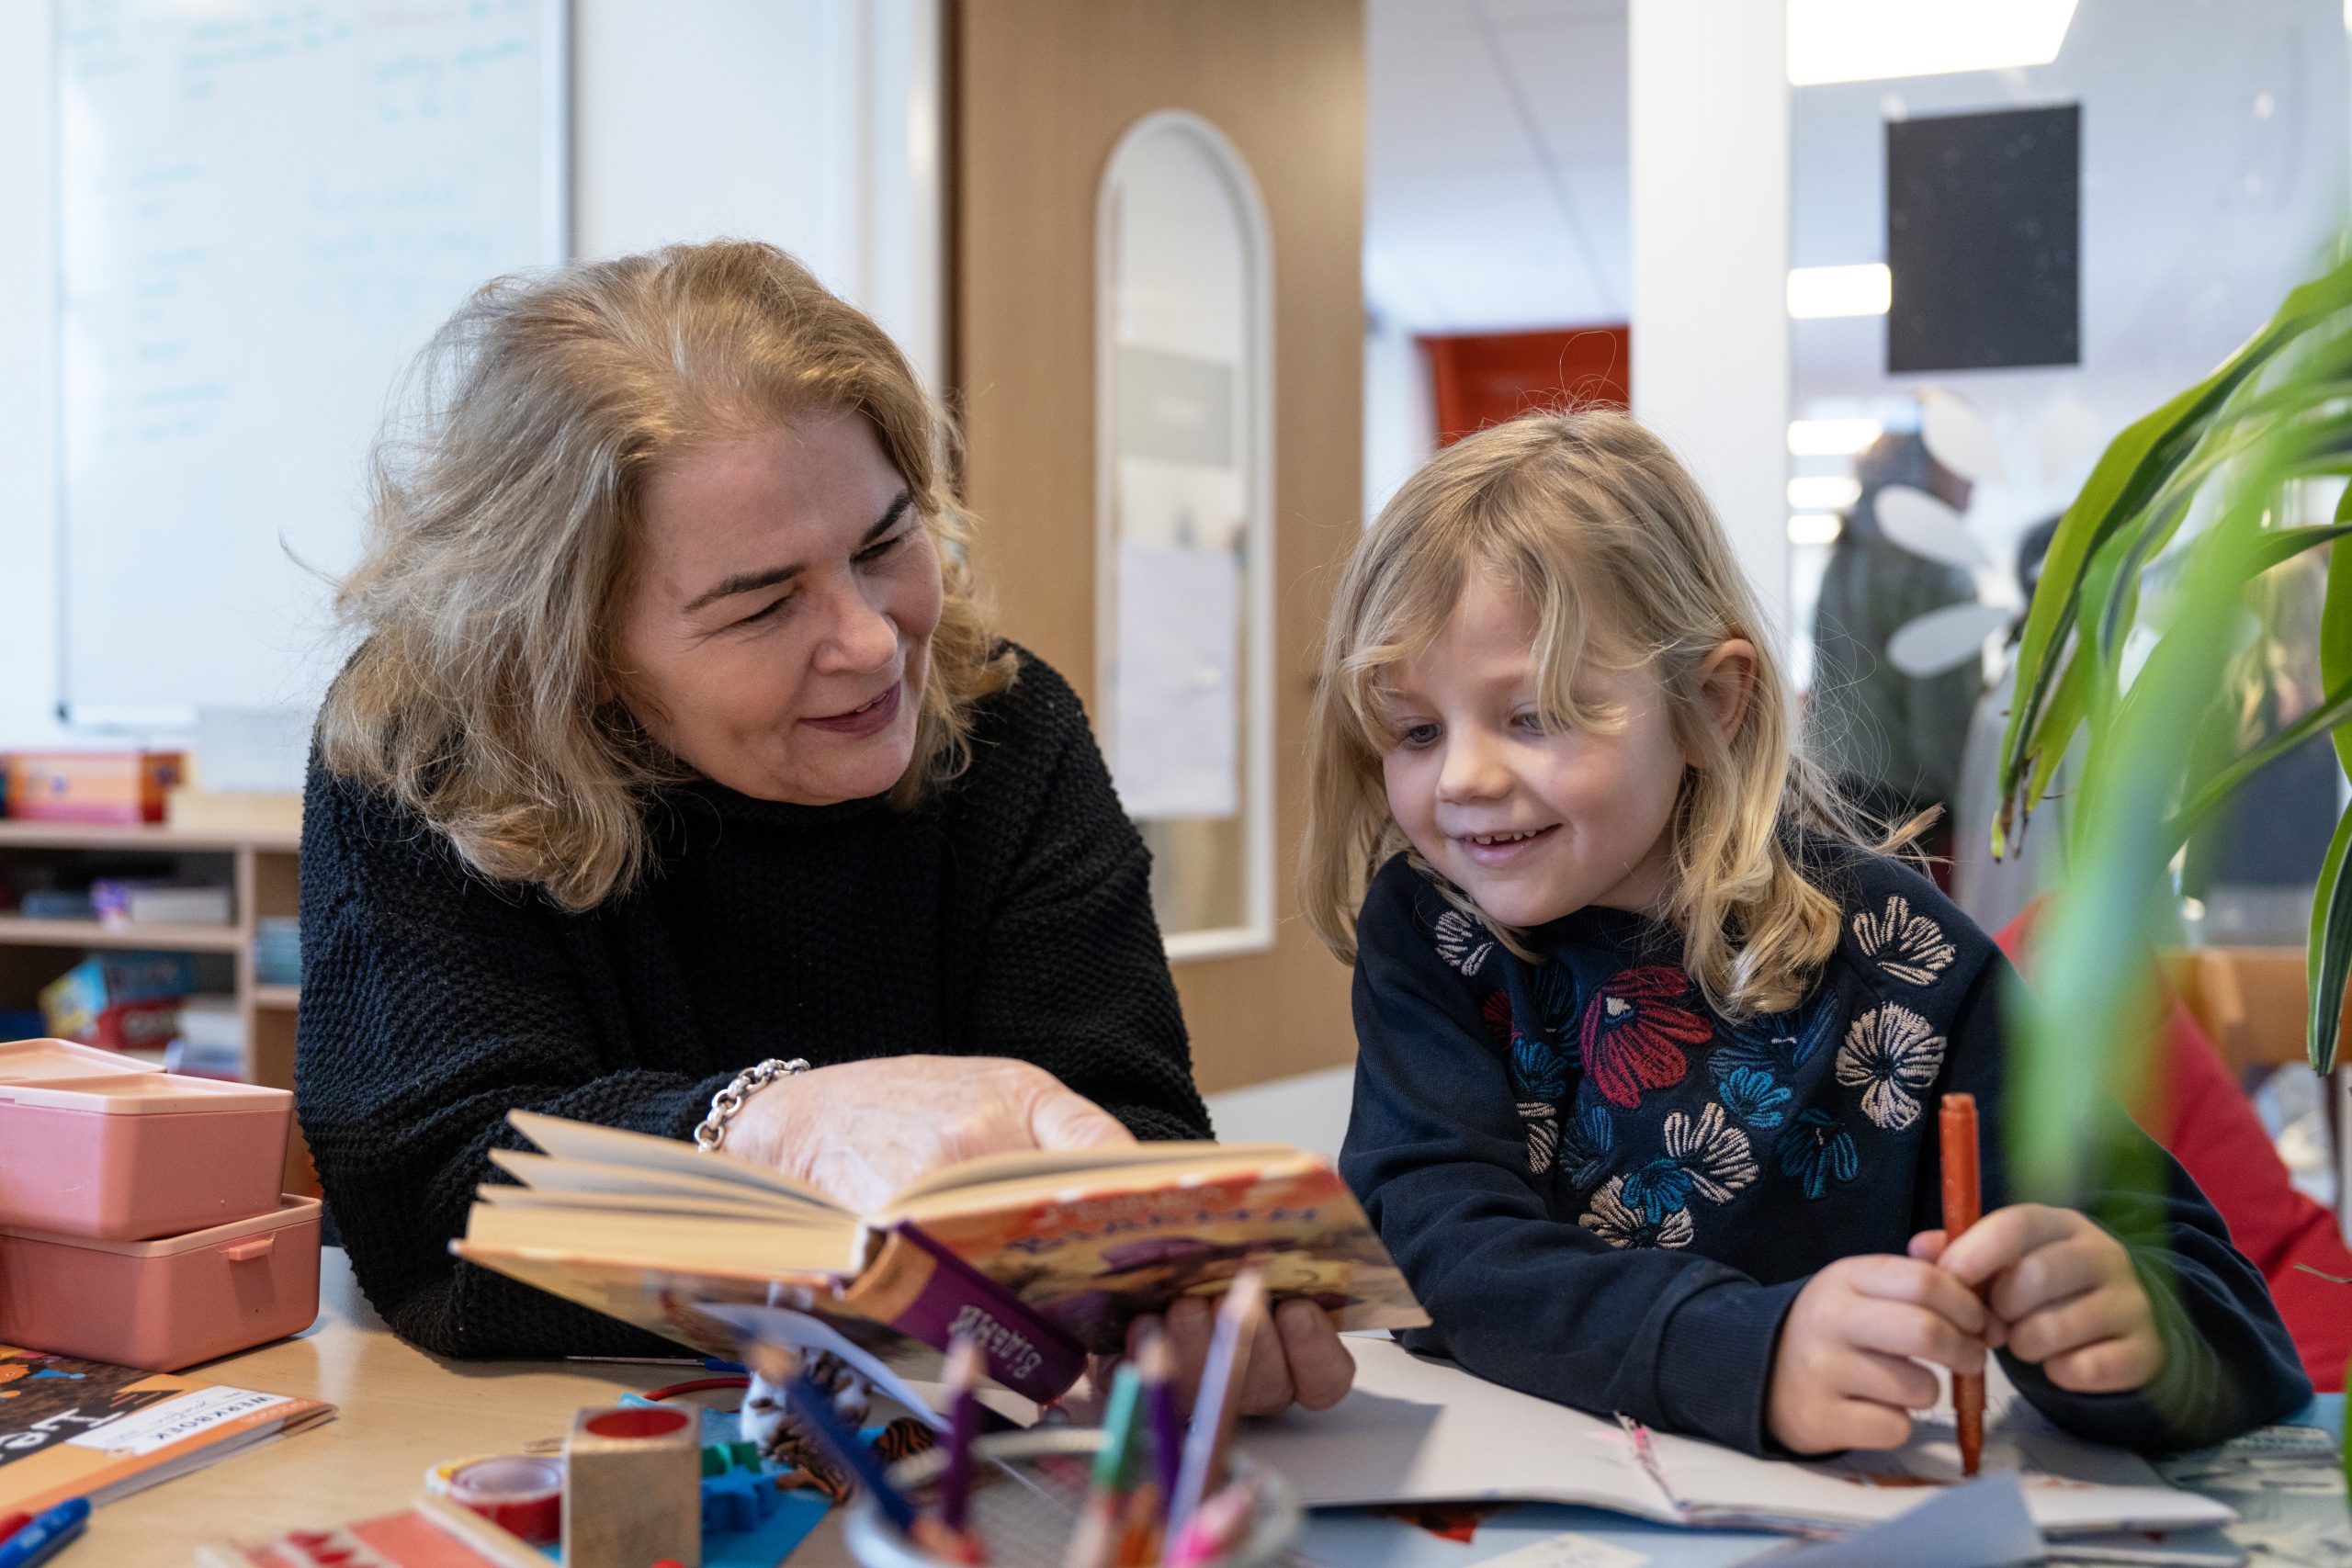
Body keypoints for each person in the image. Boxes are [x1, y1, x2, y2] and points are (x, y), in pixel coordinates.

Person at [297, 240, 1351, 1414]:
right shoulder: (422, 757)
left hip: (951, 1443)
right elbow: (434, 1197)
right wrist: (766, 1127)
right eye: (762, 603)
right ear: (577, 651)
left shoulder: (1007, 729)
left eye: (884, 544)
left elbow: (1127, 1121)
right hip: (520, 1429)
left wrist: (1184, 1298)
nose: (867, 640)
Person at [1301, 411, 2308, 1458]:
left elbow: (2223, 1315)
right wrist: (1747, 1350)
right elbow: (1433, 1246)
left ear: (1710, 705)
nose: (1461, 777)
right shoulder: (1432, 933)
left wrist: (2129, 1333)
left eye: (1534, 715)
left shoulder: (1905, 960)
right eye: (1415, 731)